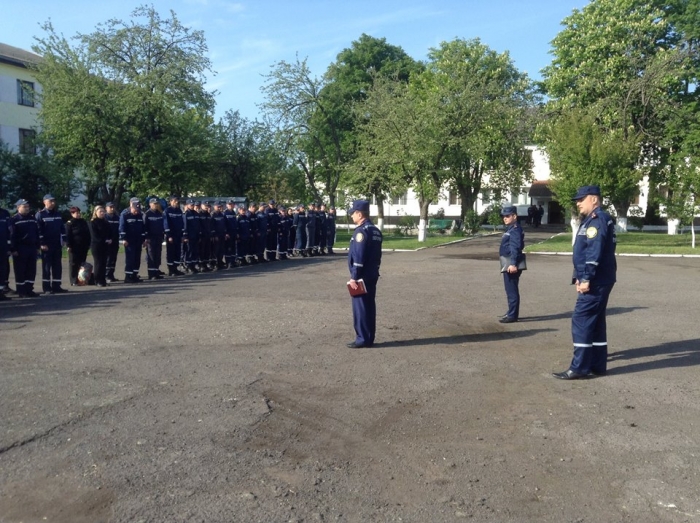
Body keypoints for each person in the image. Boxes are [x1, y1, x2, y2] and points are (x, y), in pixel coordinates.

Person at [553, 185, 617, 380]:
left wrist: (586, 278)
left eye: (582, 199)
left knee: (581, 320)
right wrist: (578, 276)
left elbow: (593, 253)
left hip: (596, 280)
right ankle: (597, 365)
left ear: (594, 199)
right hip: (601, 278)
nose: (578, 203)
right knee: (596, 321)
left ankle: (579, 368)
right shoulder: (594, 219)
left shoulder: (596, 221)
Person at [347, 199, 383, 349]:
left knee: (361, 308)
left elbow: (359, 258)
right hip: (372, 274)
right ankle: (369, 337)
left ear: (359, 214)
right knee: (369, 306)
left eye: (353, 213)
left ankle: (362, 338)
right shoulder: (375, 230)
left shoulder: (361, 232)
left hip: (361, 276)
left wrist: (354, 277)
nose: (351, 216)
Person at [36, 194, 68, 294]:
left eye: (54, 201)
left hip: (57, 244)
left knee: (57, 266)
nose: (53, 203)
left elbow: (62, 228)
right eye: (50, 201)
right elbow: (39, 231)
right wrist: (42, 243)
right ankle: (46, 288)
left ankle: (56, 286)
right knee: (46, 267)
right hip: (47, 245)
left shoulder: (57, 214)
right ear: (44, 202)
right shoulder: (40, 214)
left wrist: (65, 239)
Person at [498, 205, 524, 323]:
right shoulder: (510, 228)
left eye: (507, 216)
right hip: (508, 262)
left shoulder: (514, 229)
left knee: (511, 290)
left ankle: (512, 315)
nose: (505, 218)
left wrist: (513, 264)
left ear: (514, 216)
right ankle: (511, 311)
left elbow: (515, 248)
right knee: (510, 289)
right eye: (503, 216)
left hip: (510, 263)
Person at [10, 199, 41, 298]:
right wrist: (13, 249)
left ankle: (29, 289)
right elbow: (12, 236)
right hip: (20, 248)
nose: (27, 209)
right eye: (24, 207)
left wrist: (37, 246)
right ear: (18, 207)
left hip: (31, 247)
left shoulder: (32, 218)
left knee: (31, 270)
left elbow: (36, 233)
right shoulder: (14, 219)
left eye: (28, 207)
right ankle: (21, 291)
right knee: (20, 270)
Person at [119, 198, 147, 283]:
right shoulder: (125, 214)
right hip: (129, 241)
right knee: (130, 259)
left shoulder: (139, 215)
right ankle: (128, 276)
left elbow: (142, 228)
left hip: (138, 240)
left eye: (138, 209)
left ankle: (134, 275)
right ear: (131, 206)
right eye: (135, 209)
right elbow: (122, 227)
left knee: (137, 259)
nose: (136, 211)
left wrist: (143, 239)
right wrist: (123, 239)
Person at [65, 206, 92, 286]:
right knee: (73, 263)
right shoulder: (70, 223)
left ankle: (81, 279)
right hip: (74, 246)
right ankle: (73, 280)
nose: (78, 214)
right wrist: (68, 245)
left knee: (82, 263)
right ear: (72, 213)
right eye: (76, 213)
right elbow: (68, 235)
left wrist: (88, 244)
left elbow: (87, 233)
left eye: (79, 213)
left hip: (83, 246)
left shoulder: (83, 221)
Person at [89, 206, 112, 287]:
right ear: (95, 212)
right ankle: (97, 280)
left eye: (103, 211)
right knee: (98, 263)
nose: (102, 213)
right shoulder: (93, 222)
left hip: (105, 246)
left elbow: (109, 233)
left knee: (104, 262)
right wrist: (104, 240)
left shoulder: (106, 222)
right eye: (100, 211)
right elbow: (94, 236)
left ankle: (103, 280)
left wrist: (109, 239)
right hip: (96, 245)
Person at [143, 198, 165, 280]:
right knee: (151, 256)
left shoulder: (159, 213)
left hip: (158, 237)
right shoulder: (147, 214)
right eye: (154, 204)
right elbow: (145, 227)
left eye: (157, 203)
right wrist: (146, 238)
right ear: (150, 204)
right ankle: (151, 274)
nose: (156, 205)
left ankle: (156, 271)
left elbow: (162, 226)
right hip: (150, 238)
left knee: (157, 255)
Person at [163, 195, 185, 276]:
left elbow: (181, 223)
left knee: (177, 252)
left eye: (177, 201)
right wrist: (169, 235)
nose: (177, 202)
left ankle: (176, 268)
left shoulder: (179, 211)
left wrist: (182, 235)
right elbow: (166, 224)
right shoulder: (167, 211)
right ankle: (171, 270)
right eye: (175, 201)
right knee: (170, 252)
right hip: (171, 236)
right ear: (171, 201)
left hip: (178, 235)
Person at [182, 199, 201, 274]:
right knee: (189, 251)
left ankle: (193, 265)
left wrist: (199, 235)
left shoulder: (196, 214)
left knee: (194, 251)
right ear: (187, 205)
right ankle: (188, 266)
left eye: (193, 205)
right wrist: (185, 236)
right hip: (189, 236)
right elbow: (185, 226)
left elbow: (198, 226)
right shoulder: (186, 214)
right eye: (191, 205)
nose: (192, 206)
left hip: (195, 236)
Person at [104, 202, 121, 282]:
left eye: (113, 207)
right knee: (108, 259)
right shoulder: (105, 217)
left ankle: (111, 275)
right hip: (107, 242)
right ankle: (106, 275)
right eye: (110, 207)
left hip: (115, 241)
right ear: (106, 208)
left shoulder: (117, 217)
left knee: (113, 259)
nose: (112, 209)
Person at [0, 202, 11, 299]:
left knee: (3, 270)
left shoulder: (5, 213)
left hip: (3, 247)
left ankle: (1, 291)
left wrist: (9, 246)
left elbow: (10, 231)